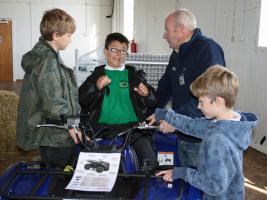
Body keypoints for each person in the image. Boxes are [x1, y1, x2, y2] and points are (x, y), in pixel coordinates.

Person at [154, 66, 258, 200]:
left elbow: (214, 186)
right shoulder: (231, 123)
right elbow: (192, 125)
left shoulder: (218, 139)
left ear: (219, 101)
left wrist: (183, 172)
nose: (198, 107)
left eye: (201, 102)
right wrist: (166, 115)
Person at [148, 8, 226, 167]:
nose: (164, 35)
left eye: (166, 30)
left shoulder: (207, 49)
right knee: (187, 182)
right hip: (183, 134)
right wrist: (147, 110)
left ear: (181, 30)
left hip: (202, 138)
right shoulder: (176, 54)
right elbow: (164, 90)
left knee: (203, 186)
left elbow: (211, 95)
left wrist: (174, 118)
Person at [77, 32, 158, 170]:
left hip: (133, 129)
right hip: (101, 130)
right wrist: (95, 86)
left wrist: (146, 94)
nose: (119, 54)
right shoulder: (96, 75)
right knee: (92, 168)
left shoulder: (134, 76)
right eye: (114, 49)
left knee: (149, 163)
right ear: (106, 52)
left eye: (123, 51)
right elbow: (83, 99)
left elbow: (153, 101)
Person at [16, 8, 80, 169]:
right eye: (69, 35)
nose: (70, 40)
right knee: (59, 177)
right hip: (55, 135)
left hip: (50, 132)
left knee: (52, 171)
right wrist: (72, 125)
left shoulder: (46, 56)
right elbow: (53, 103)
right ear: (56, 35)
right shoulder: (48, 61)